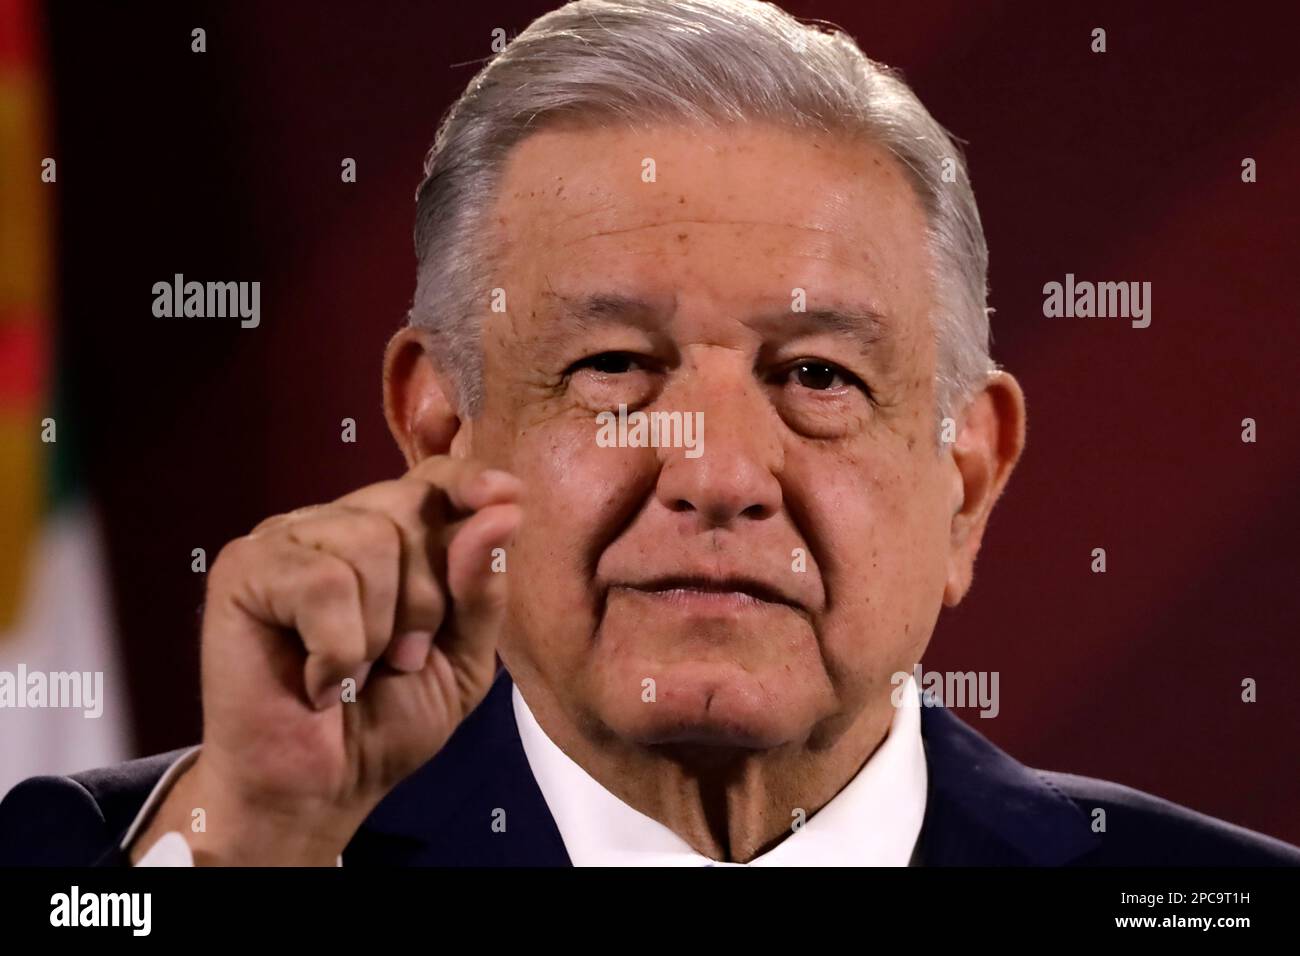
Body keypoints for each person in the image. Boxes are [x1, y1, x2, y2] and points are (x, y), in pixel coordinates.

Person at [3, 0, 1296, 867]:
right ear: (443, 430)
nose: (721, 474)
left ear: (967, 476)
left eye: (822, 377)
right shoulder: (138, 858)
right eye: (615, 365)